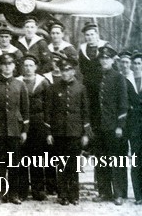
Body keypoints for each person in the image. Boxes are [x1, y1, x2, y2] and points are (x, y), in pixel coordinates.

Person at [0, 53, 29, 205]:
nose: (7, 67)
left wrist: (24, 130)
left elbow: (25, 109)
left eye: (10, 64)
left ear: (14, 66)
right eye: (4, 64)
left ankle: (14, 194)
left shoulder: (19, 84)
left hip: (15, 129)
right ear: (0, 66)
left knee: (14, 164)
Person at [45, 57, 90, 206]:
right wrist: (49, 132)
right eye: (63, 70)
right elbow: (48, 112)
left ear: (73, 71)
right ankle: (62, 194)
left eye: (68, 70)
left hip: (75, 133)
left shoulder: (81, 88)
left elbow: (85, 112)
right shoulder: (53, 88)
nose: (65, 73)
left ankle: (74, 195)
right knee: (61, 165)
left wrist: (85, 133)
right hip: (59, 133)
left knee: (74, 165)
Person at [91, 46, 128, 205]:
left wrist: (120, 125)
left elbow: (123, 104)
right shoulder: (96, 77)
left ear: (113, 60)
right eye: (102, 58)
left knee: (116, 160)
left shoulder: (118, 77)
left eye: (107, 58)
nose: (104, 61)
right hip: (99, 127)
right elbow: (92, 104)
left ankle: (118, 194)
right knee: (100, 160)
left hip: (114, 127)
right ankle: (104, 192)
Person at [16, 54, 53, 201]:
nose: (28, 68)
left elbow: (49, 105)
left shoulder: (43, 82)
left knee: (37, 157)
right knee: (22, 157)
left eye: (31, 65)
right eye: (25, 65)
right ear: (21, 67)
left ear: (36, 67)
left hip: (38, 123)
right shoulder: (17, 82)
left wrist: (46, 124)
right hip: (21, 123)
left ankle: (38, 190)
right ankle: (22, 190)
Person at [129, 52, 142, 205]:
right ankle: (138, 195)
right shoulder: (128, 81)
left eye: (139, 63)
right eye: (135, 64)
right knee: (136, 159)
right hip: (134, 127)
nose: (137, 66)